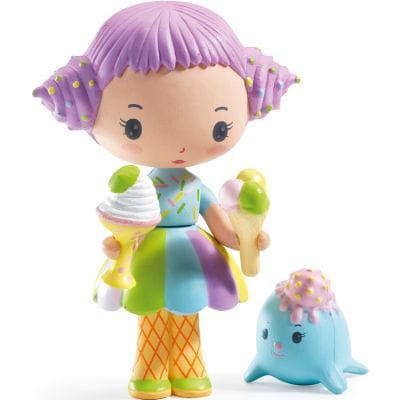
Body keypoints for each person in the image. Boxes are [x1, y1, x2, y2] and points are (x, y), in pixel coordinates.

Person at [34, 2, 297, 398]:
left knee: (187, 315)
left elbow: (223, 230)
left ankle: (190, 370)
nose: (179, 147)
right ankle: (150, 372)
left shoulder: (198, 189)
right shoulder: (138, 192)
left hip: (193, 258)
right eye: (133, 126)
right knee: (152, 317)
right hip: (150, 258)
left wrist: (246, 237)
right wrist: (118, 245)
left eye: (220, 125)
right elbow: (127, 230)